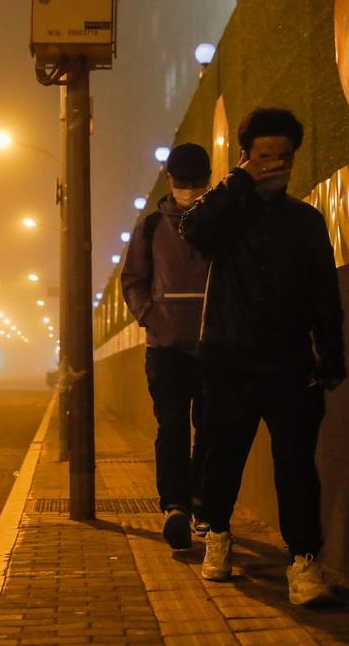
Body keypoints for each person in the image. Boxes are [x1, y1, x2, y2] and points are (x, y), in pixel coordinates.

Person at [177, 108, 345, 606]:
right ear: (246, 157)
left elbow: (324, 292)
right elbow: (193, 230)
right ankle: (219, 537)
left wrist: (330, 352)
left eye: (284, 158)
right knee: (221, 459)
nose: (275, 166)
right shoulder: (226, 215)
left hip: (290, 363)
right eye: (264, 157)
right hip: (226, 362)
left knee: (296, 466)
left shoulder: (305, 220)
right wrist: (237, 182)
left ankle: (303, 562)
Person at [121, 143, 212, 550]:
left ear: (208, 180)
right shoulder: (152, 227)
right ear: (170, 181)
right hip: (166, 348)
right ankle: (176, 507)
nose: (189, 189)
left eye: (196, 182)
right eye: (182, 182)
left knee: (212, 431)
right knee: (172, 428)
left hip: (216, 346)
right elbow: (133, 280)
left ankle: (204, 504)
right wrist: (151, 317)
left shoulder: (221, 222)